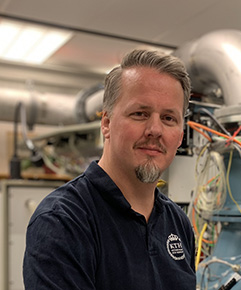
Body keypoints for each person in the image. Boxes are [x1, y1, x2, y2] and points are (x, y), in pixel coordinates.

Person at [23, 49, 196, 289]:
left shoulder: (177, 223)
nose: (155, 129)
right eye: (140, 113)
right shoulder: (63, 220)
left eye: (169, 118)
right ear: (106, 123)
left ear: (180, 136)